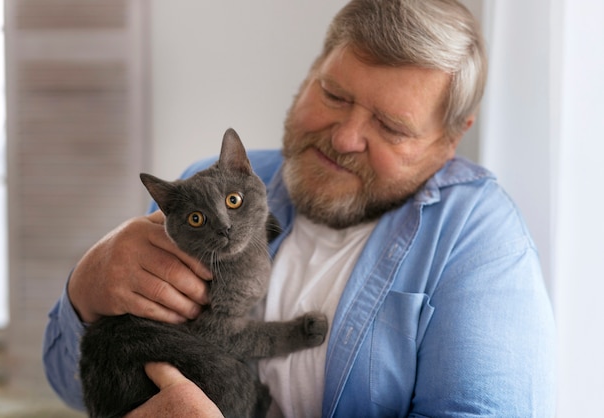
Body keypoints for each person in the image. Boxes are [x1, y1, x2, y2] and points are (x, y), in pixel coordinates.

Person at [43, 0, 556, 416]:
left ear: (449, 140)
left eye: (392, 127)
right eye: (333, 94)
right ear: (312, 72)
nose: (346, 136)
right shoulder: (223, 182)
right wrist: (87, 289)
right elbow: (71, 387)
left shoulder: (481, 237)